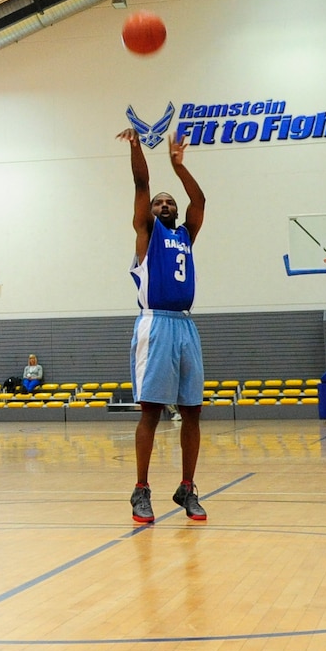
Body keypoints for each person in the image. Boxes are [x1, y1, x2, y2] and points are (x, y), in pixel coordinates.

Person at [120, 126, 209, 525]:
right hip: (154, 325)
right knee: (151, 411)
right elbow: (141, 182)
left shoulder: (186, 235)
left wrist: (179, 166)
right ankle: (141, 490)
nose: (164, 204)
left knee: (192, 411)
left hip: (185, 327)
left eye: (169, 202)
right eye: (158, 203)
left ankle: (187, 487)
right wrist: (138, 147)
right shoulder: (146, 234)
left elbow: (200, 200)